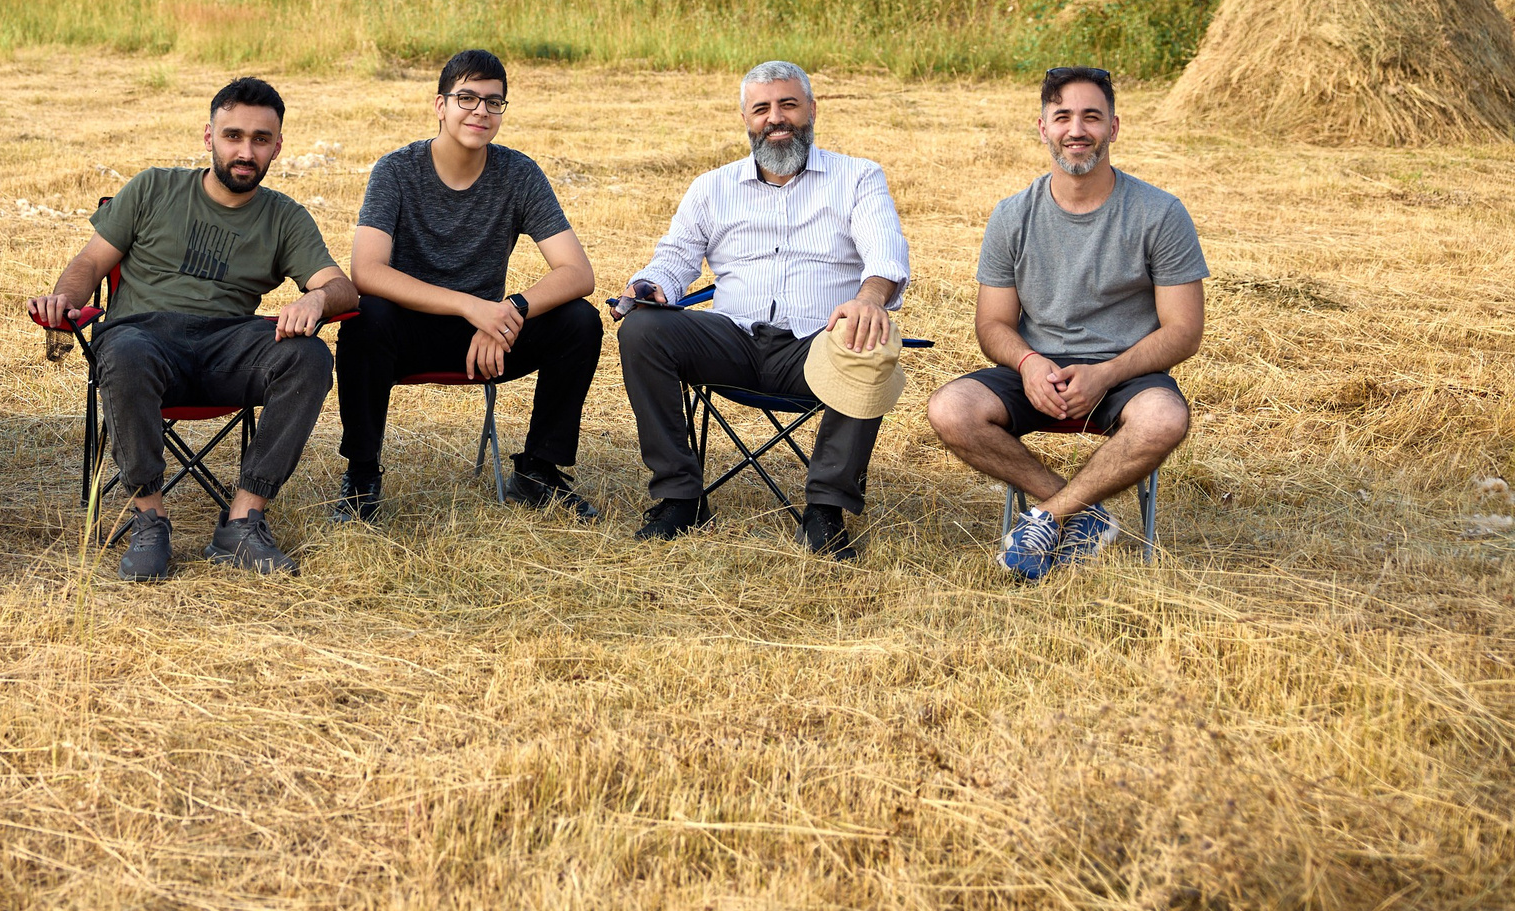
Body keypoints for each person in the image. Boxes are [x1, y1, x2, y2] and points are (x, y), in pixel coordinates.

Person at [27, 77, 356, 582]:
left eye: (261, 140)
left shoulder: (284, 218)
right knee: (125, 352)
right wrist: (63, 300)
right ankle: (149, 520)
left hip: (229, 346)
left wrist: (316, 297)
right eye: (233, 136)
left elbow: (344, 289)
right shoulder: (153, 188)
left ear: (278, 146)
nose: (245, 151)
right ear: (209, 137)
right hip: (145, 339)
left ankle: (243, 522)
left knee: (309, 357)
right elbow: (91, 262)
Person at [614, 61, 911, 561]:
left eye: (788, 104)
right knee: (643, 330)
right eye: (762, 109)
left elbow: (886, 256)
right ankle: (679, 497)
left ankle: (824, 510)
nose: (776, 118)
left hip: (817, 347)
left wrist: (869, 300)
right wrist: (652, 285)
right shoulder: (712, 186)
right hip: (731, 340)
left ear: (812, 110)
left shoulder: (858, 177)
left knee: (871, 342)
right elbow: (675, 258)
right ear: (747, 119)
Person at [926, 67, 1205, 581]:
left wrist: (1106, 374)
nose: (1076, 129)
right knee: (949, 408)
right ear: (1043, 128)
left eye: (1091, 117)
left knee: (1164, 419)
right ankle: (1082, 512)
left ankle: (1049, 516)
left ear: (1114, 128)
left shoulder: (1160, 213)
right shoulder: (1012, 216)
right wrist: (1029, 363)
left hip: (1125, 374)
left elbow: (1184, 330)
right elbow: (992, 324)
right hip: (1037, 370)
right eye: (1063, 117)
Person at [335, 49, 603, 522]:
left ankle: (538, 470)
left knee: (580, 321)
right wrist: (469, 307)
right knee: (366, 318)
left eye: (493, 101)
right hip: (409, 332)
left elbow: (578, 273)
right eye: (467, 97)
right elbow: (367, 271)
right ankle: (361, 474)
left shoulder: (518, 173)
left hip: (488, 341)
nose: (481, 110)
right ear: (440, 105)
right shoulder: (396, 170)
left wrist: (509, 310)